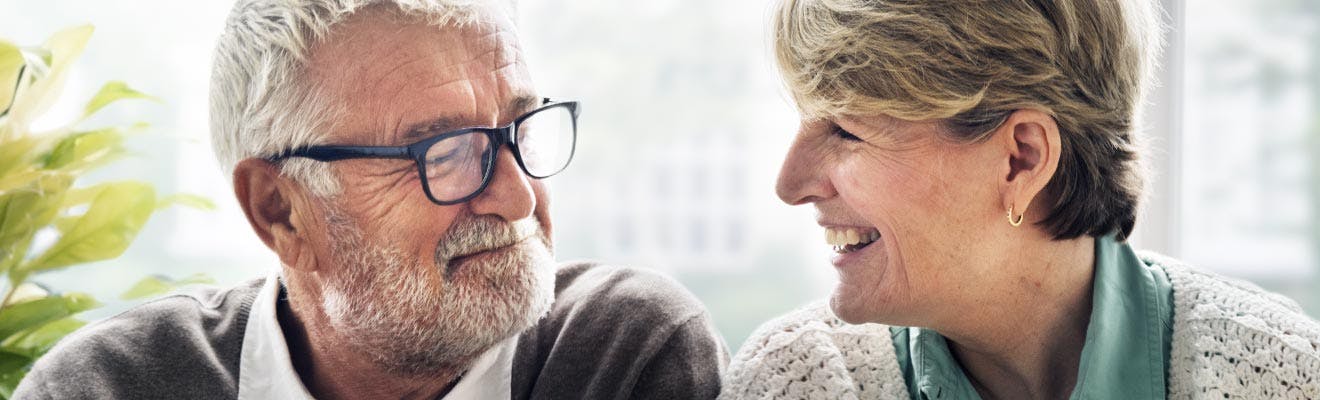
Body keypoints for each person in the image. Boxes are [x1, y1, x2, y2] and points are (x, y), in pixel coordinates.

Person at [15, 1, 727, 398]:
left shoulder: (622, 354)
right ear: (280, 211)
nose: (515, 197)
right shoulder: (104, 391)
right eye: (443, 152)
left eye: (520, 128)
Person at [721, 0, 1320, 399]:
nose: (790, 183)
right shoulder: (796, 380)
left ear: (1022, 159)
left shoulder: (1282, 376)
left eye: (846, 132)